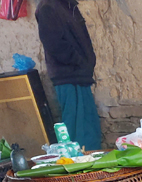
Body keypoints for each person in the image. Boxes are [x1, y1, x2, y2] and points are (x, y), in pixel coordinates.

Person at [35, 0, 103, 150]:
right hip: (68, 75)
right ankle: (79, 165)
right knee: (77, 126)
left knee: (88, 125)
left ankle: (92, 162)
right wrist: (79, 61)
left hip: (80, 73)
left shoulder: (67, 5)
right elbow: (55, 44)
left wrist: (87, 62)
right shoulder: (48, 7)